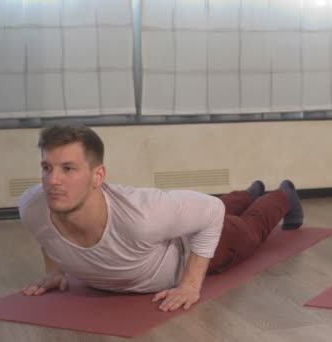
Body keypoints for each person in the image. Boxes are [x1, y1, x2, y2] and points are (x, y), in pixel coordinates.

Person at [19, 124, 304, 312]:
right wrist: (55, 271)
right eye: (47, 167)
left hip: (188, 247)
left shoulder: (141, 215)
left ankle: (284, 195)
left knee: (250, 229)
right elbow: (47, 234)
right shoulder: (33, 205)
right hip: (170, 223)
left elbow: (212, 213)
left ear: (98, 175)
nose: (52, 181)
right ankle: (248, 192)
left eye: (68, 169)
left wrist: (191, 285)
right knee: (210, 207)